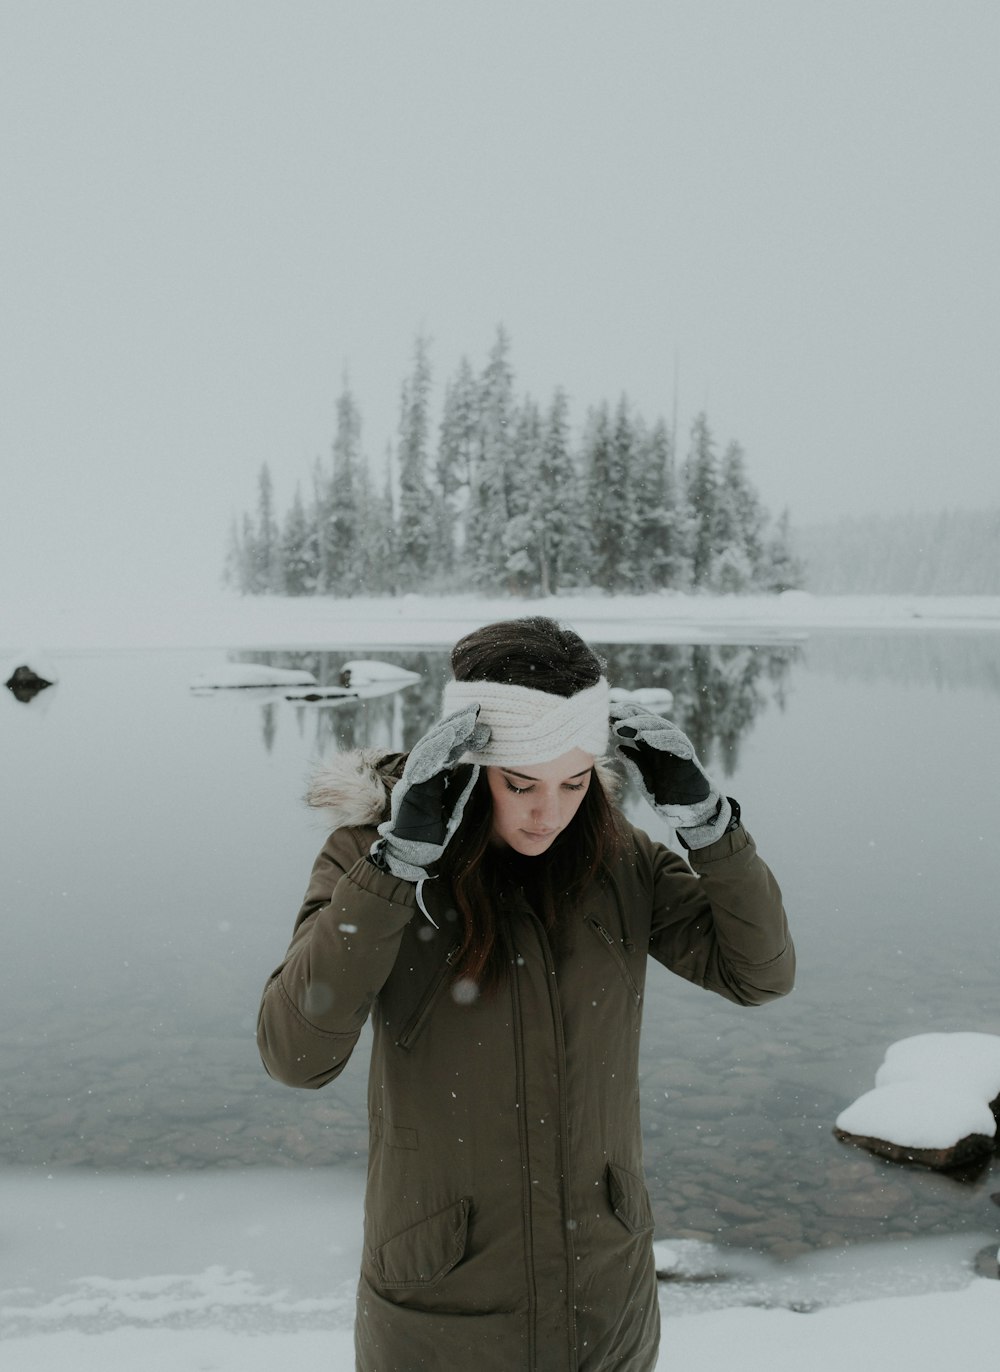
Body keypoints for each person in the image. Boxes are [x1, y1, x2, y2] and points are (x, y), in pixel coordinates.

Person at [257, 616, 794, 1371]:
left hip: (604, 1308)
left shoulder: (617, 859)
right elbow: (295, 1053)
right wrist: (397, 865)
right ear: (475, 767)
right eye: (521, 784)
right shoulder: (370, 858)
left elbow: (758, 972)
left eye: (575, 782)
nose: (551, 812)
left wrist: (705, 824)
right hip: (444, 1314)